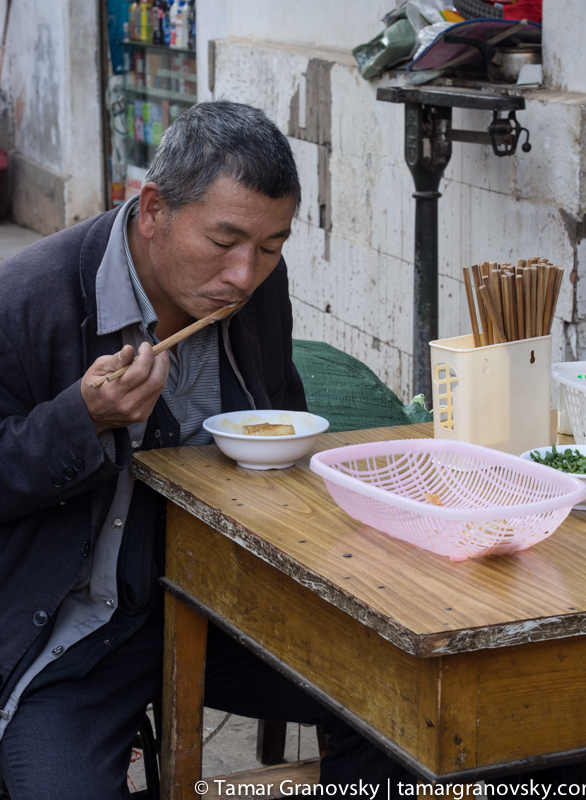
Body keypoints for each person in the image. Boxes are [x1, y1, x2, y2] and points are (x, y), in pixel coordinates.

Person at [0, 100, 414, 799]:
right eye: (224, 242)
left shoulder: (254, 289)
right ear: (154, 208)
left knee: (404, 705)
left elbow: (277, 417)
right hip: (73, 634)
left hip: (220, 605)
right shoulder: (28, 301)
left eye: (272, 247)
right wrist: (79, 420)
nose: (244, 276)